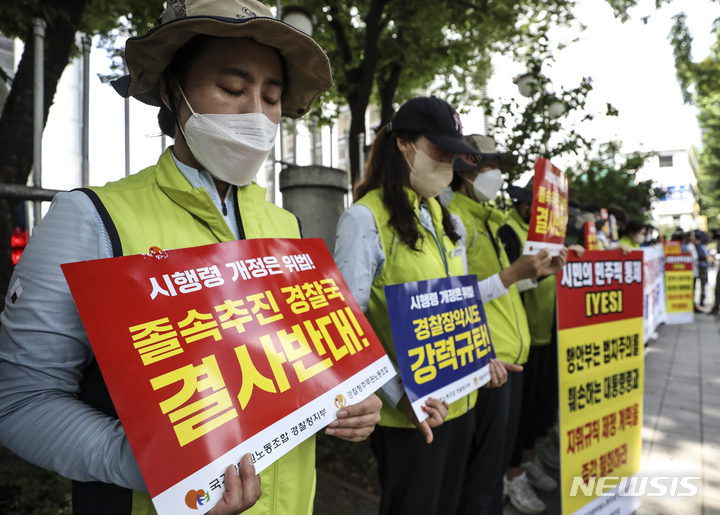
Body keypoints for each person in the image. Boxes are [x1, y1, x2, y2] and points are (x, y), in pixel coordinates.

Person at [0, 2, 383, 514]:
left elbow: (303, 368)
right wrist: (148, 463)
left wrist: (347, 400)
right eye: (230, 88)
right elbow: (21, 403)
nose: (255, 113)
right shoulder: (91, 219)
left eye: (272, 97)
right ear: (170, 90)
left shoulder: (285, 228)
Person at [334, 98, 514, 515]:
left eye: (454, 154)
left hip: (461, 403)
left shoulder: (441, 215)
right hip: (412, 420)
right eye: (440, 150)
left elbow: (458, 302)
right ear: (404, 145)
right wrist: (401, 399)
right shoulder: (364, 220)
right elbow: (348, 328)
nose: (449, 162)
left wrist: (480, 360)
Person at [441, 135, 566, 515]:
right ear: (463, 172)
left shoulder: (487, 219)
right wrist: (514, 274)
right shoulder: (453, 220)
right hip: (485, 359)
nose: (495, 175)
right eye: (486, 167)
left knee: (493, 467)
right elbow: (453, 297)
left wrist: (538, 273)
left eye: (497, 167)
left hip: (511, 354)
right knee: (481, 472)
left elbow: (505, 285)